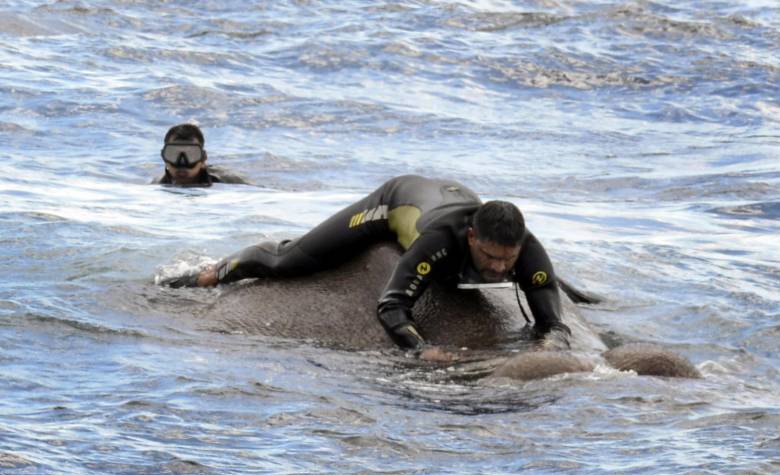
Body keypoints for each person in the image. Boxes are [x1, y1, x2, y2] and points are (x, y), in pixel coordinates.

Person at [163, 175, 571, 359]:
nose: (500, 269)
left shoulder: (525, 250)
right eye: (490, 258)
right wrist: (421, 350)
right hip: (397, 202)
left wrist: (551, 343)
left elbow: (552, 320)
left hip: (455, 194)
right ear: (470, 239)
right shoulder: (439, 242)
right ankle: (214, 271)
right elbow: (391, 306)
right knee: (287, 262)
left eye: (508, 260)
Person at [153, 123, 250, 187]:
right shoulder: (157, 185)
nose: (182, 163)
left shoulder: (229, 181)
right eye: (174, 154)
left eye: (191, 154)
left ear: (203, 159)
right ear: (164, 158)